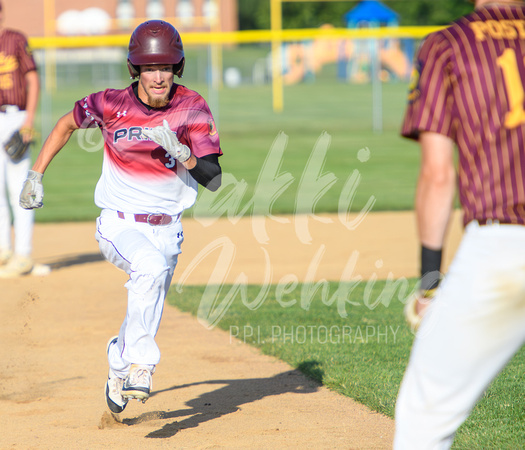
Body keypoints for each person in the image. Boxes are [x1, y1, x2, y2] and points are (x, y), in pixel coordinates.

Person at [19, 20, 222, 414]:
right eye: (149, 67)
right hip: (118, 223)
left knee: (148, 296)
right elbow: (65, 124)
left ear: (177, 67)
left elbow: (212, 179)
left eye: (165, 67)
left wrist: (184, 155)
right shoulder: (111, 103)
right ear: (135, 69)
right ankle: (143, 366)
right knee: (146, 267)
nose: (158, 76)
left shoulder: (192, 107)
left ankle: (117, 363)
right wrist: (35, 173)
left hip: (168, 230)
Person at [394, 0, 525, 448]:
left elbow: (438, 173)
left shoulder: (449, 45)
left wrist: (430, 281)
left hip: (503, 243)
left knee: (425, 415)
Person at [0, 0, 39, 277]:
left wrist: (29, 121)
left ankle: (23, 254)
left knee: (19, 189)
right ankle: (3, 251)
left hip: (15, 117)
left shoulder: (15, 39)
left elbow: (33, 79)